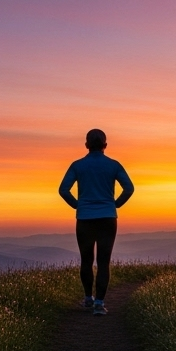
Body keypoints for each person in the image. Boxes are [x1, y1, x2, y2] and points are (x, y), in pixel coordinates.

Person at [58, 129, 134, 315]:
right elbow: (129, 188)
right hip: (108, 218)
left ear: (86, 145)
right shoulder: (113, 165)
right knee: (103, 262)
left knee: (86, 260)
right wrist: (115, 204)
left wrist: (78, 205)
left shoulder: (78, 165)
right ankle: (99, 303)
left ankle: (87, 299)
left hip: (85, 218)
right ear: (105, 145)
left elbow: (63, 190)